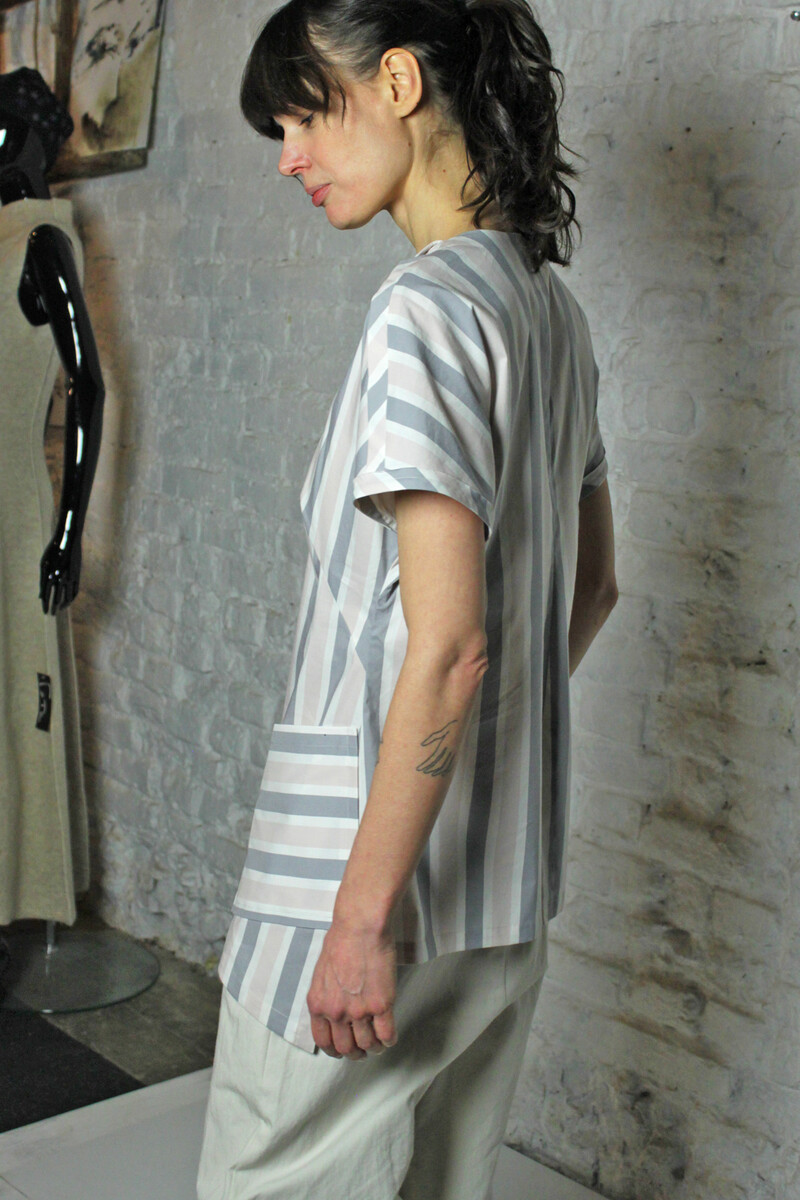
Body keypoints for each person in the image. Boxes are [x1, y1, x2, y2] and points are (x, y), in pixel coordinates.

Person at [197, 2, 617, 1198]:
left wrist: (359, 916)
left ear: (394, 82)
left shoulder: (422, 313)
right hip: (501, 891)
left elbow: (447, 647)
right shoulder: (550, 315)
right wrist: (473, 755)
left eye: (301, 115)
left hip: (364, 881)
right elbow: (589, 588)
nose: (287, 157)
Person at [0, 67, 104, 931]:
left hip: (12, 510)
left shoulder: (41, 242)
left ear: (32, 136)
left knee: (14, 699)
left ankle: (18, 893)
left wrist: (69, 528)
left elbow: (89, 386)